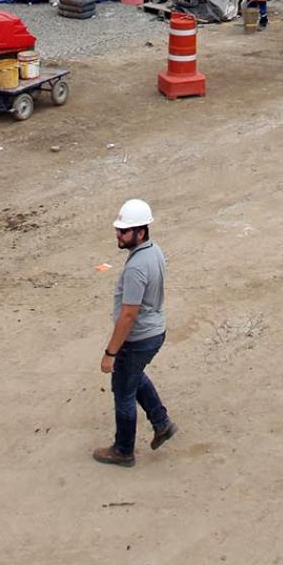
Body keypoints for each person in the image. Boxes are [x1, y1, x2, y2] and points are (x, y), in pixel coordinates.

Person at [93, 197, 177, 468]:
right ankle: (161, 422)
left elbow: (129, 315)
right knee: (134, 376)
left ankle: (123, 450)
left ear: (140, 232)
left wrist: (110, 353)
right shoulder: (154, 252)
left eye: (124, 231)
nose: (118, 235)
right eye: (118, 229)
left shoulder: (136, 267)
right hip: (155, 331)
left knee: (123, 391)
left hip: (139, 338)